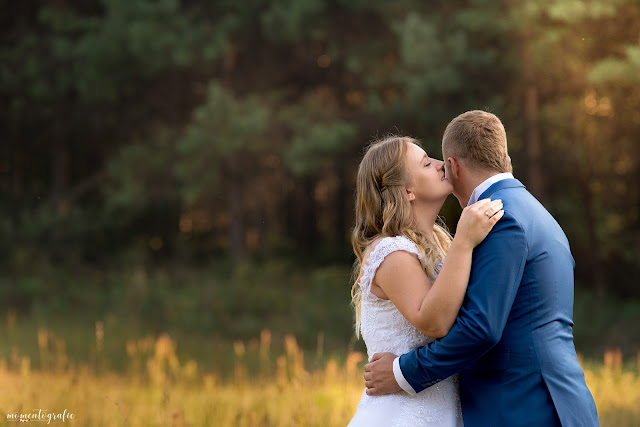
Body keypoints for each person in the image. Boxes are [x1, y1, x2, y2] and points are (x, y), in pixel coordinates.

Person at [364, 111, 599, 426]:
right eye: (425, 162)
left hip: (523, 406)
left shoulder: (500, 219)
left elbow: (479, 329)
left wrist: (402, 373)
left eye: (440, 160)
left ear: (455, 166)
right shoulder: (531, 211)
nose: (439, 165)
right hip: (542, 401)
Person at [348, 134, 504, 426]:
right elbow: (434, 321)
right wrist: (465, 243)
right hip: (404, 414)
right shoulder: (390, 251)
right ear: (407, 189)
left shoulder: (440, 243)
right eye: (425, 163)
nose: (439, 164)